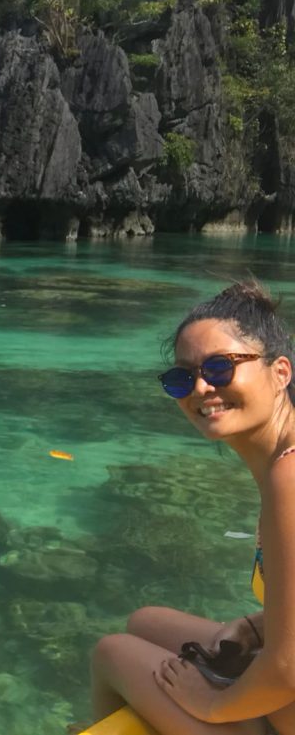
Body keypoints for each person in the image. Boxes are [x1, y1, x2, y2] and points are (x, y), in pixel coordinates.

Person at [90, 281, 295, 735]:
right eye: (183, 377)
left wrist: (210, 704)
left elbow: (287, 671)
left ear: (281, 372)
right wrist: (256, 626)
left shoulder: (290, 476)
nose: (201, 388)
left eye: (221, 368)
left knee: (112, 653)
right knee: (145, 622)